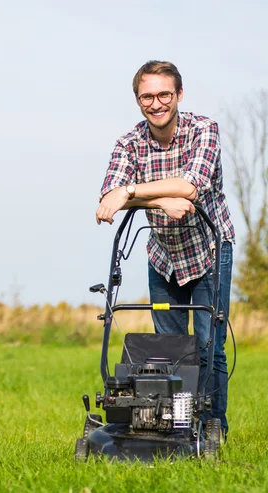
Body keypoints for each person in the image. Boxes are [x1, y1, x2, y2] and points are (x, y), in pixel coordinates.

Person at [95, 60, 235, 440]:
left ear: (179, 95)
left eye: (163, 95)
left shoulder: (203, 129)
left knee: (209, 347)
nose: (155, 103)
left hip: (209, 251)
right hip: (163, 257)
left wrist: (133, 191)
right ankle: (175, 427)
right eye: (146, 96)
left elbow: (192, 185)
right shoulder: (129, 143)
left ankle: (212, 426)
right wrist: (158, 202)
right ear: (137, 99)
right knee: (170, 350)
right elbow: (107, 199)